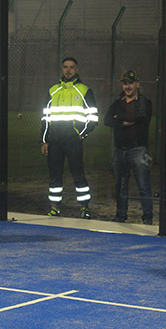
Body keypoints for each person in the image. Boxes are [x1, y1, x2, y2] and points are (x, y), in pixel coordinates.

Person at [41, 57, 98, 219]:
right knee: (55, 175)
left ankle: (84, 207)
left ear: (76, 70)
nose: (68, 70)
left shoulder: (84, 90)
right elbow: (45, 118)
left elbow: (93, 118)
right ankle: (54, 207)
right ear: (62, 69)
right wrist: (44, 140)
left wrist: (81, 134)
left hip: (73, 140)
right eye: (65, 67)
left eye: (71, 67)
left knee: (78, 174)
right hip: (55, 141)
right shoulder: (53, 90)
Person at [104, 70, 153, 225]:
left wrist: (119, 120)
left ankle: (147, 218)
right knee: (120, 186)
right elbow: (107, 120)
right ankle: (120, 216)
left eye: (131, 83)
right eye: (125, 83)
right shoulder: (118, 103)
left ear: (137, 84)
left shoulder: (145, 102)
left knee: (143, 186)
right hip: (120, 150)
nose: (128, 86)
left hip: (138, 150)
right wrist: (125, 121)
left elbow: (140, 118)